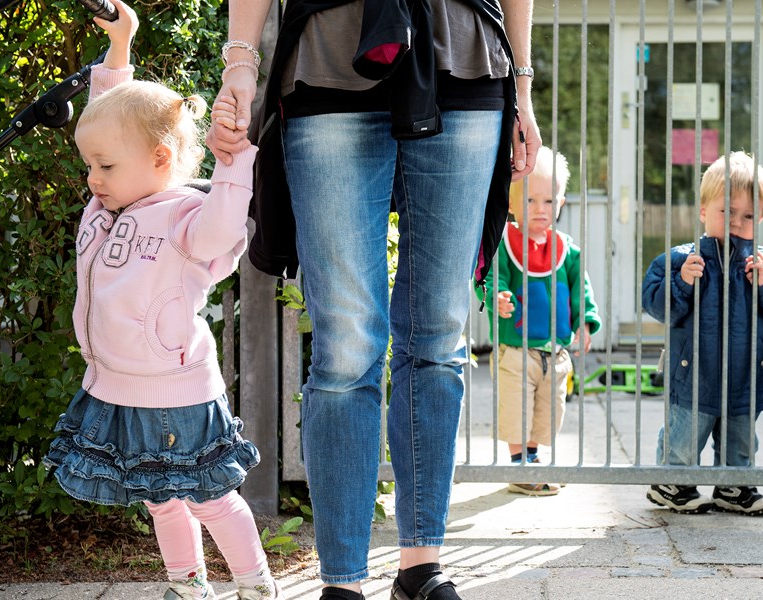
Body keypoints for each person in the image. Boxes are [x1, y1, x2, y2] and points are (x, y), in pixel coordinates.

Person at [206, 1, 541, 599]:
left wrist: (523, 86)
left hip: (466, 59)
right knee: (346, 347)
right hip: (330, 59)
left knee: (438, 339)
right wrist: (240, 62)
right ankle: (343, 581)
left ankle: (420, 569)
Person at [41, 3, 281, 599]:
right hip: (117, 385)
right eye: (89, 164)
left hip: (177, 394)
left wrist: (235, 163)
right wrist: (120, 49)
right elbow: (113, 117)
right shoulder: (107, 209)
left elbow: (226, 230)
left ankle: (255, 584)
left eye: (104, 165)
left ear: (160, 161)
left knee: (210, 499)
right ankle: (187, 584)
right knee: (160, 501)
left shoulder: (184, 218)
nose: (93, 178)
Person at [642, 152, 763, 516]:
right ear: (703, 210)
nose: (736, 222)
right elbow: (655, 304)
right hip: (694, 371)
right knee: (685, 432)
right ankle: (672, 480)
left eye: (748, 216)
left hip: (747, 373)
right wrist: (682, 282)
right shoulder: (681, 259)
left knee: (741, 435)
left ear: (761, 217)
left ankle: (734, 484)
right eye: (726, 212)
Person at [478, 146, 601, 496]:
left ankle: (533, 459)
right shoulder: (506, 243)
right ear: (513, 204)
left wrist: (586, 320)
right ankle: (519, 464)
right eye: (530, 201)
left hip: (554, 350)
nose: (540, 210)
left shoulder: (566, 249)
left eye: (548, 201)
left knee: (548, 409)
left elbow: (582, 289)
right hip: (516, 349)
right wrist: (498, 296)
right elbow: (493, 276)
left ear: (560, 203)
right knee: (517, 406)